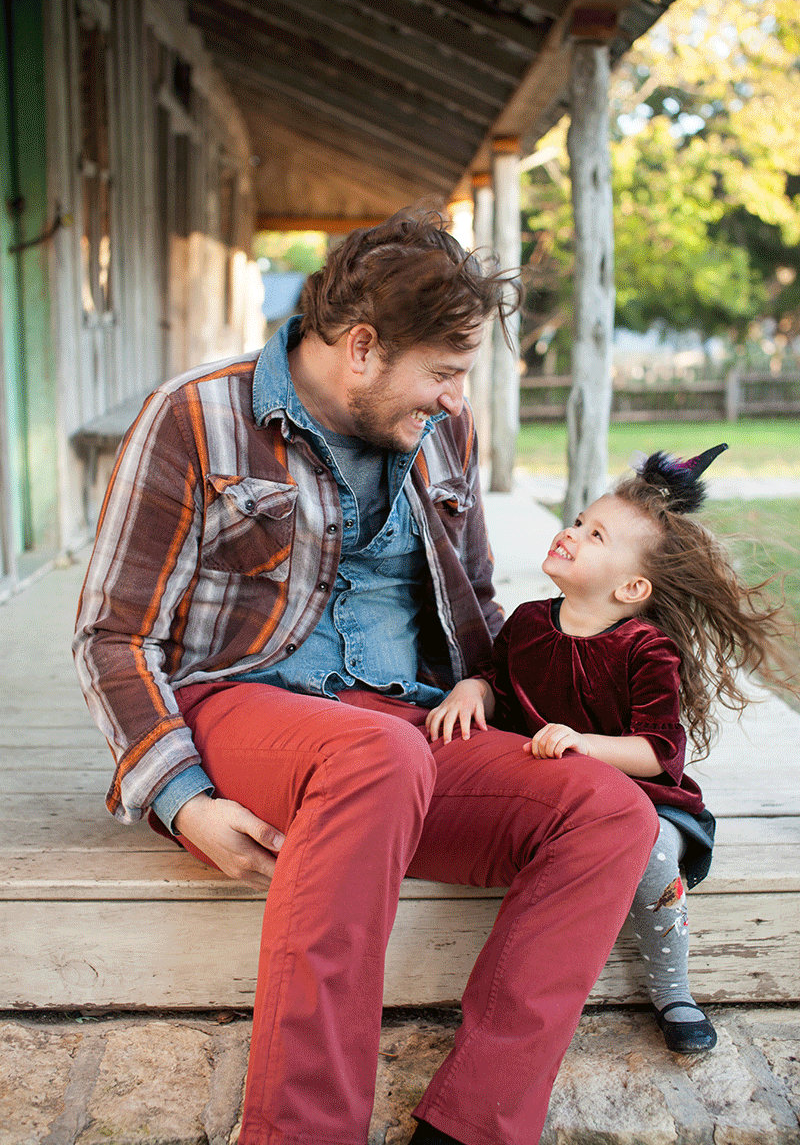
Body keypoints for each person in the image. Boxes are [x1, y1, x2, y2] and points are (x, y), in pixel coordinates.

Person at [74, 208, 658, 1145]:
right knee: (377, 758)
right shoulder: (193, 417)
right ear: (360, 347)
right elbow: (113, 634)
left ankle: (471, 1127)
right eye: (445, 374)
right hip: (247, 708)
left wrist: (488, 681)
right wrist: (179, 798)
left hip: (414, 730)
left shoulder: (438, 438)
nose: (456, 402)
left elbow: (470, 593)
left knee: (609, 813)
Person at [427, 443, 798, 1057]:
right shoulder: (526, 623)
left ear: (631, 587)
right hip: (559, 804)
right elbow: (496, 679)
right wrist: (472, 688)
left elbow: (658, 753)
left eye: (595, 535)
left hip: (652, 807)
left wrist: (583, 745)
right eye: (578, 521)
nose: (571, 534)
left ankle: (673, 988)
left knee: (651, 851)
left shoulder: (646, 651)